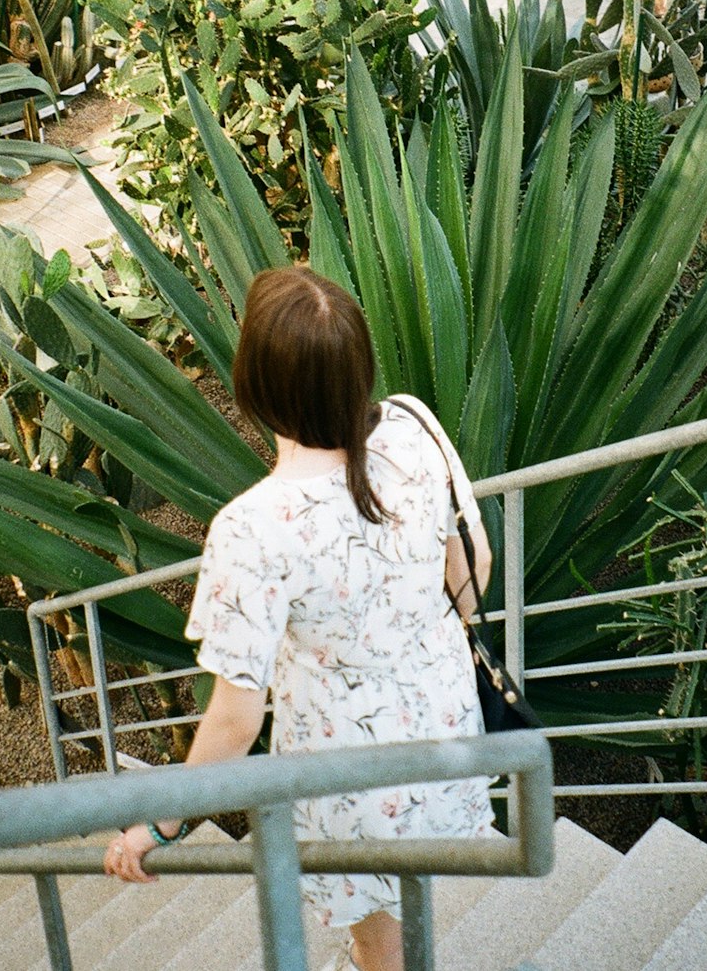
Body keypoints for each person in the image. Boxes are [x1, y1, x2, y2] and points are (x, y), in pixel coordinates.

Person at [103, 265, 494, 971]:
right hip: (444, 719)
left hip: (347, 763)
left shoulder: (251, 530)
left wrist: (158, 825)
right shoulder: (413, 425)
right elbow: (474, 570)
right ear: (359, 367)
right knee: (412, 883)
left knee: (378, 935)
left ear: (254, 388)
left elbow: (236, 720)